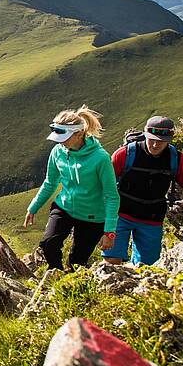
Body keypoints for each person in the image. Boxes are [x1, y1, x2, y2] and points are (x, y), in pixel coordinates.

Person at [24, 105, 119, 269]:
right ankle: (56, 275)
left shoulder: (101, 158)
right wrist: (33, 207)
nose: (59, 143)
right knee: (48, 245)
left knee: (77, 263)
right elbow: (50, 182)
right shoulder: (57, 151)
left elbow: (112, 196)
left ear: (79, 133)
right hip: (64, 207)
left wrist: (109, 232)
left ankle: (70, 287)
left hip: (93, 216)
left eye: (64, 138)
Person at [102, 115, 183, 266]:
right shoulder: (124, 154)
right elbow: (105, 188)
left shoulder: (179, 161)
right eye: (152, 139)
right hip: (120, 215)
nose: (155, 144)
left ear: (170, 139)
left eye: (161, 141)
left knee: (147, 266)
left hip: (152, 219)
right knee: (111, 260)